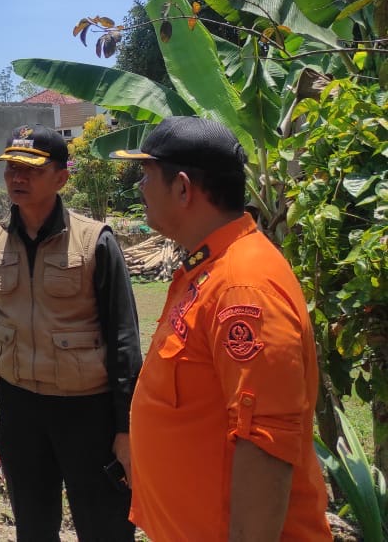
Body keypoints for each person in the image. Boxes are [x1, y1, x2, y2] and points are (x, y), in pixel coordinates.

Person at [108, 117, 330, 540]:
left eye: (147, 175)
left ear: (183, 188)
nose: (139, 187)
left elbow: (265, 443)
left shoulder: (243, 287)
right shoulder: (210, 269)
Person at [0, 124, 141, 542]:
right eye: (10, 168)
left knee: (105, 527)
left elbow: (124, 338)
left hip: (87, 409)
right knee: (33, 524)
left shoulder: (94, 242)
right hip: (20, 405)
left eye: (30, 170)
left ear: (61, 177)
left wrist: (125, 429)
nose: (17, 178)